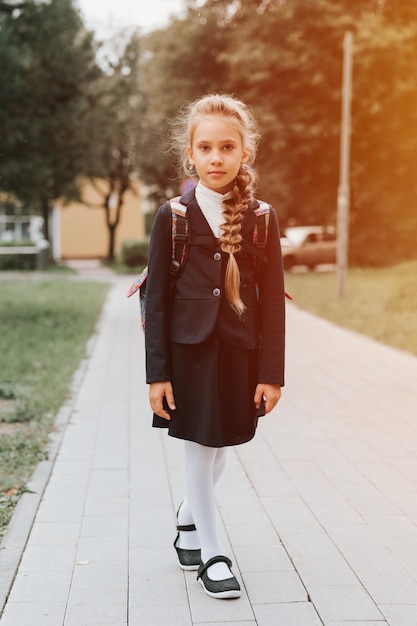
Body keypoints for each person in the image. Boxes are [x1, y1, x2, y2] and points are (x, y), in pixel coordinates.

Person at [145, 93, 285, 599]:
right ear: (191, 154)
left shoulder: (262, 218)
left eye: (227, 147)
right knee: (199, 448)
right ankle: (214, 553)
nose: (217, 157)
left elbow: (273, 305)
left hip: (240, 351)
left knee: (223, 442)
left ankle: (186, 514)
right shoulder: (173, 217)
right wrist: (156, 375)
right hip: (188, 352)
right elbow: (156, 300)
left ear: (245, 152)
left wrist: (272, 372)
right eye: (206, 148)